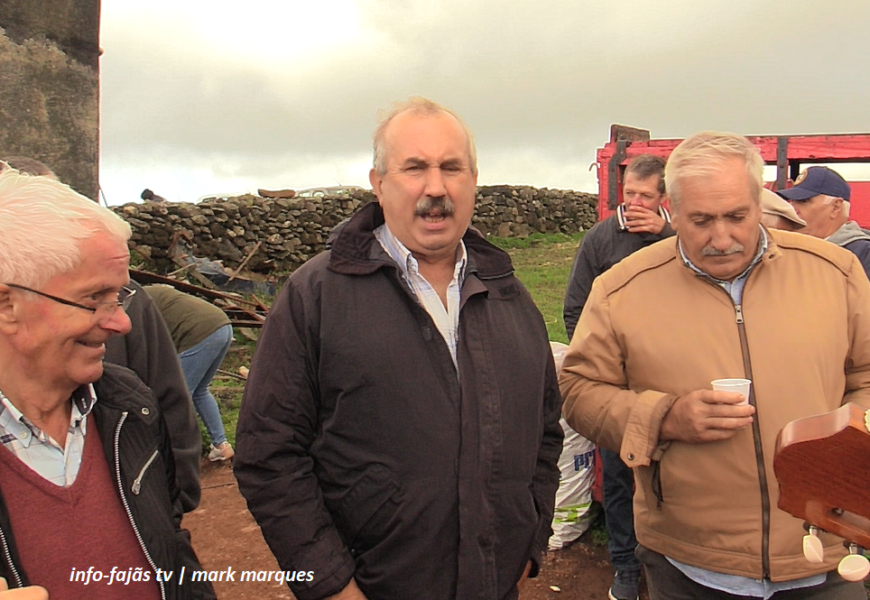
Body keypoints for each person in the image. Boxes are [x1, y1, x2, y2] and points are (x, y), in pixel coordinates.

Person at [234, 97, 563, 600]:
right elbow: (269, 453)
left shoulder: (509, 295)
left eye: (452, 168)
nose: (436, 188)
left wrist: (530, 543)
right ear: (379, 183)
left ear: (473, 180)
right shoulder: (315, 296)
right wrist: (330, 584)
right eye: (415, 168)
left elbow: (543, 433)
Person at [560, 131, 870, 600]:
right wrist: (662, 417)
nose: (721, 238)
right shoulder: (621, 290)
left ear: (759, 201)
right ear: (672, 211)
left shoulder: (836, 273)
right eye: (701, 220)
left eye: (737, 217)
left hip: (823, 552)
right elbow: (579, 391)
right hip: (690, 564)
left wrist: (842, 444)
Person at [0, 168, 214, 599]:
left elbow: (170, 546)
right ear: (7, 304)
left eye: (119, 296)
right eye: (93, 299)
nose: (121, 322)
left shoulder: (129, 406)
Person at [563, 153, 673, 600]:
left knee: (674, 474)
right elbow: (575, 308)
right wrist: (601, 370)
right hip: (616, 384)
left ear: (664, 197)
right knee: (621, 475)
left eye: (646, 196)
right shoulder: (600, 240)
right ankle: (626, 566)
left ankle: (671, 562)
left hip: (673, 379)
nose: (636, 204)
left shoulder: (682, 237)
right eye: (630, 194)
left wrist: (667, 235)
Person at [144, 285, 235, 461]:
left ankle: (177, 452)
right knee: (200, 391)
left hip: (200, 332)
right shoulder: (154, 293)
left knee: (177, 395)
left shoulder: (136, 303)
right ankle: (221, 445)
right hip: (222, 325)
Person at [777, 166, 870, 277]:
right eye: (791, 201)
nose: (792, 209)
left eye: (803, 201)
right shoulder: (788, 250)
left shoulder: (863, 254)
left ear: (835, 207)